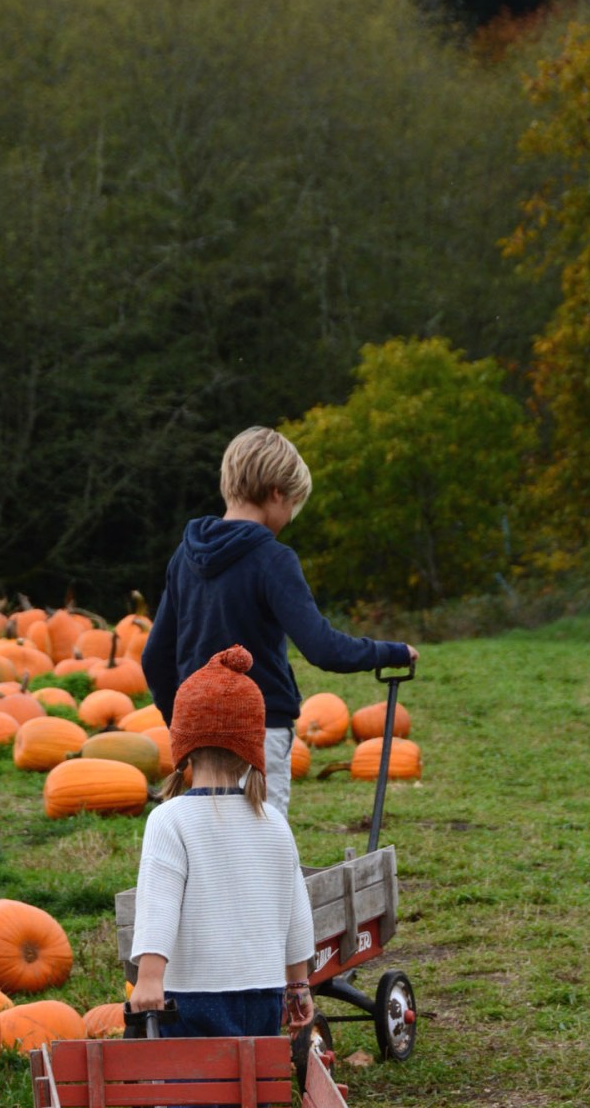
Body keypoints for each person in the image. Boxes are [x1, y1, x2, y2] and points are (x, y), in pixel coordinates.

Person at [141, 425, 418, 815]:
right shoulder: (272, 558)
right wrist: (390, 652)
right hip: (260, 728)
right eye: (291, 506)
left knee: (211, 844)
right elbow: (322, 647)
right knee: (261, 845)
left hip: (199, 732)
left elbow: (154, 657)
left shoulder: (185, 556)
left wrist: (183, 721)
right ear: (275, 493)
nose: (289, 518)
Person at [129, 644, 315, 1039]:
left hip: (192, 995)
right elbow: (296, 910)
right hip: (264, 993)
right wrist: (297, 985)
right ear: (252, 752)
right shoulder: (274, 822)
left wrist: (148, 978)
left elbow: (157, 906)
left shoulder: (169, 819)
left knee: (194, 1091)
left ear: (184, 747)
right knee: (252, 1083)